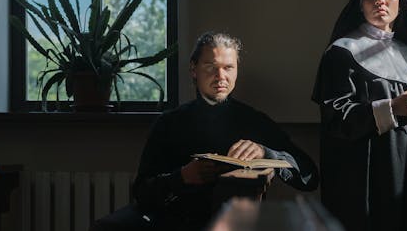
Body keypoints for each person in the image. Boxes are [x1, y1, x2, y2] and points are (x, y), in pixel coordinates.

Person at [98, 32, 319, 231]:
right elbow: (142, 192)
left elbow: (310, 177)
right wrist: (182, 177)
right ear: (193, 70)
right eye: (211, 67)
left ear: (237, 70)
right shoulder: (168, 123)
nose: (220, 76)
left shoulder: (255, 121)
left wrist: (267, 154)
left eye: (228, 67)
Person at [312, 0, 407, 231]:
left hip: (401, 173)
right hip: (357, 177)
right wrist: (393, 107)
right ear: (360, 5)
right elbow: (336, 120)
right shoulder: (341, 53)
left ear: (400, 3)